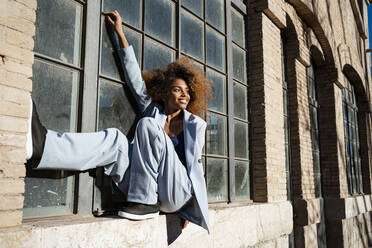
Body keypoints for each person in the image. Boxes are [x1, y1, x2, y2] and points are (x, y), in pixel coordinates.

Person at [26, 10, 212, 233]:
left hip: (176, 192)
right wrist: (120, 33)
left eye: (188, 92)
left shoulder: (194, 126)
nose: (185, 95)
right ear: (164, 93)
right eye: (177, 89)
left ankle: (146, 202)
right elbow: (135, 79)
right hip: (148, 187)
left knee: (147, 126)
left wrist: (191, 208)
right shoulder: (153, 111)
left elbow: (195, 171)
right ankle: (42, 146)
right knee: (115, 139)